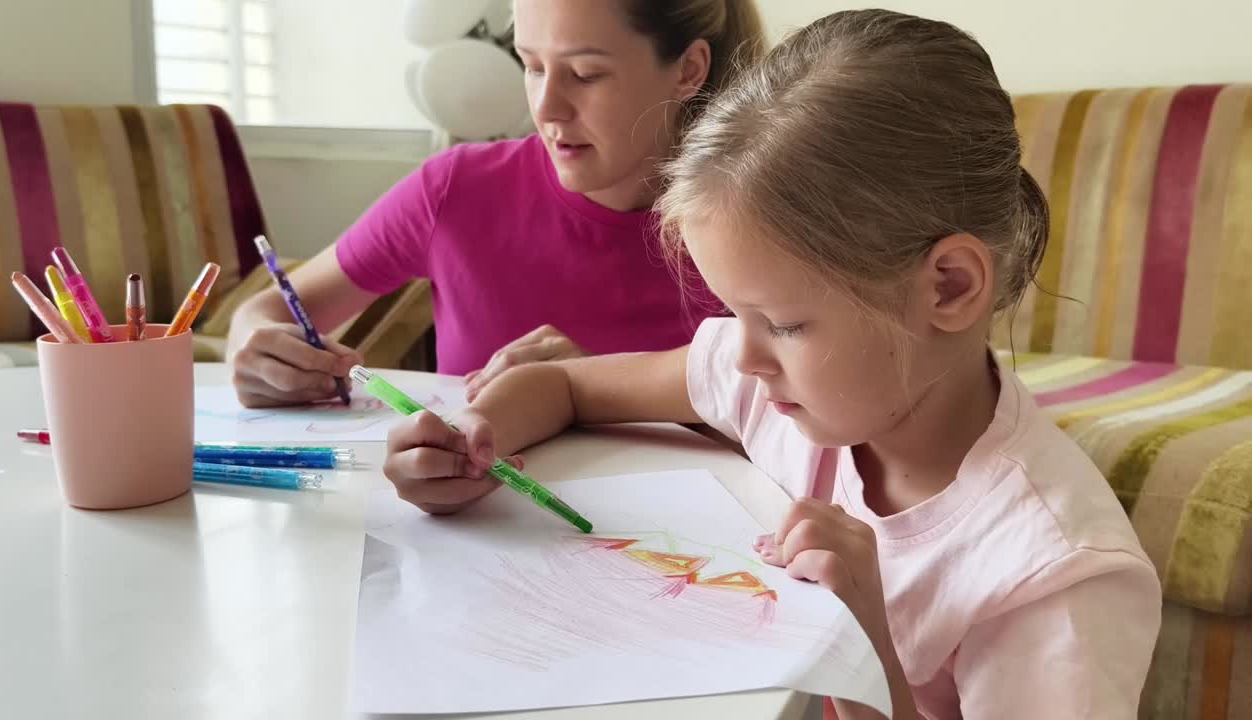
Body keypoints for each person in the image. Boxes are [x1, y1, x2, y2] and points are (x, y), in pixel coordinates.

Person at [379, 10, 1162, 719]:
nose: (742, 354)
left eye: (784, 323)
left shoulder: (1054, 580)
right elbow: (563, 385)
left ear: (948, 287)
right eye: (735, 311)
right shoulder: (781, 385)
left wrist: (864, 646)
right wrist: (472, 435)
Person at [226, 0, 765, 408]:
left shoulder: (756, 221)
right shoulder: (457, 189)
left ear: (688, 69)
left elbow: (797, 436)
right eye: (532, 66)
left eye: (585, 74)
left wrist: (588, 389)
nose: (546, 108)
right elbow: (268, 310)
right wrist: (255, 348)